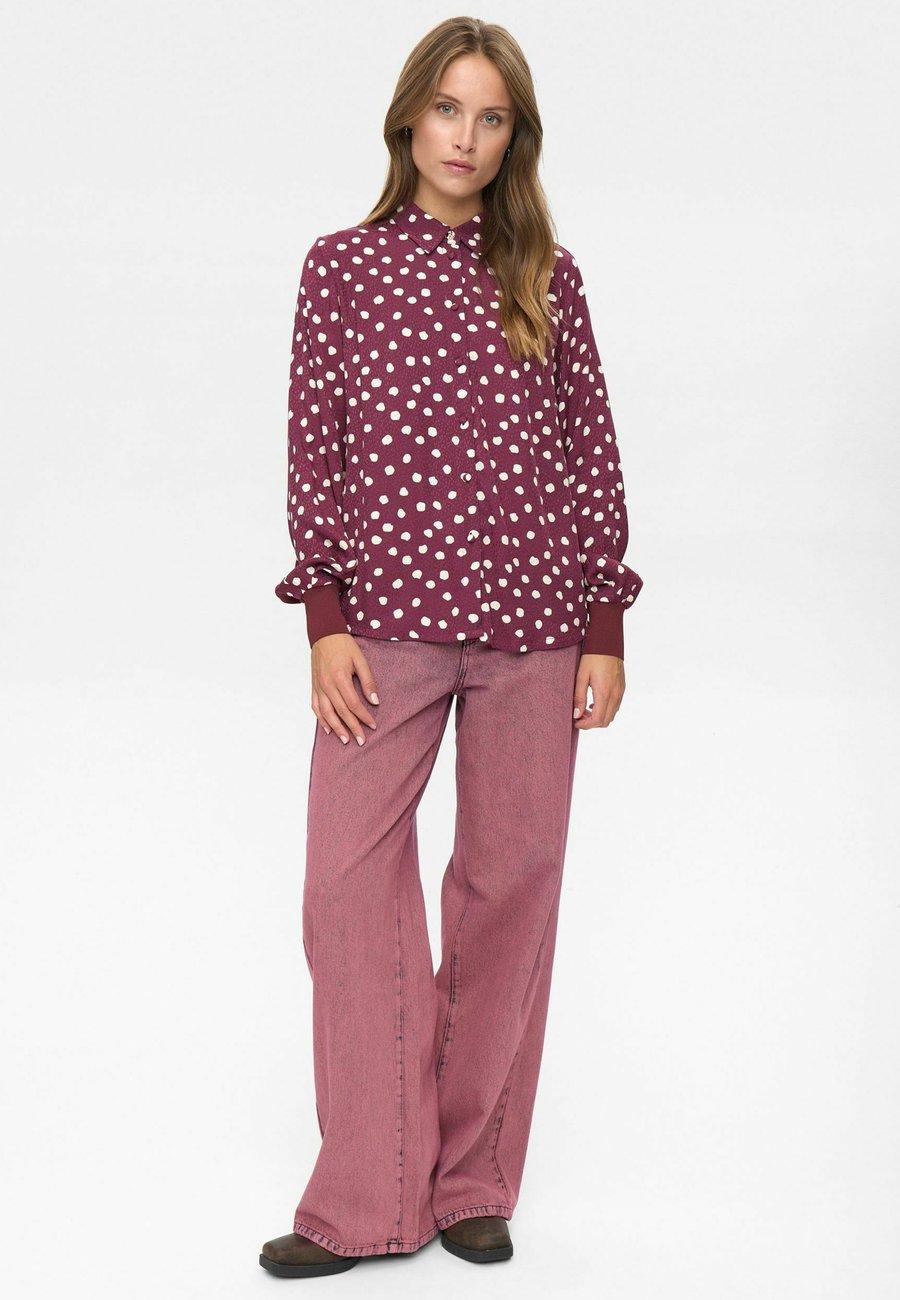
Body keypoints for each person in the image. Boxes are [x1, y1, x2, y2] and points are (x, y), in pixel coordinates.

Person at [259, 15, 643, 1279]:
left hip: (537, 627)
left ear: (513, 136)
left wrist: (603, 621)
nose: (465, 137)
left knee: (509, 888)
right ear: (408, 118)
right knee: (345, 890)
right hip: (385, 630)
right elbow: (315, 446)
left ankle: (471, 1179)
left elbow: (588, 447)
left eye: (491, 117)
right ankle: (369, 1195)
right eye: (446, 109)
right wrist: (324, 618)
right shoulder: (342, 268)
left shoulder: (547, 274)